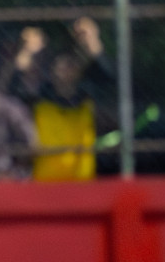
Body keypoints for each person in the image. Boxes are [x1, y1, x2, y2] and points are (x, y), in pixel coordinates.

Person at [30, 18, 112, 181]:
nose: (66, 69)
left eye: (71, 64)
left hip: (81, 183)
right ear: (52, 70)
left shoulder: (88, 98)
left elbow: (110, 79)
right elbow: (11, 90)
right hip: (46, 184)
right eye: (61, 64)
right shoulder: (40, 100)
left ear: (79, 71)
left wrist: (93, 43)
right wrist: (26, 53)